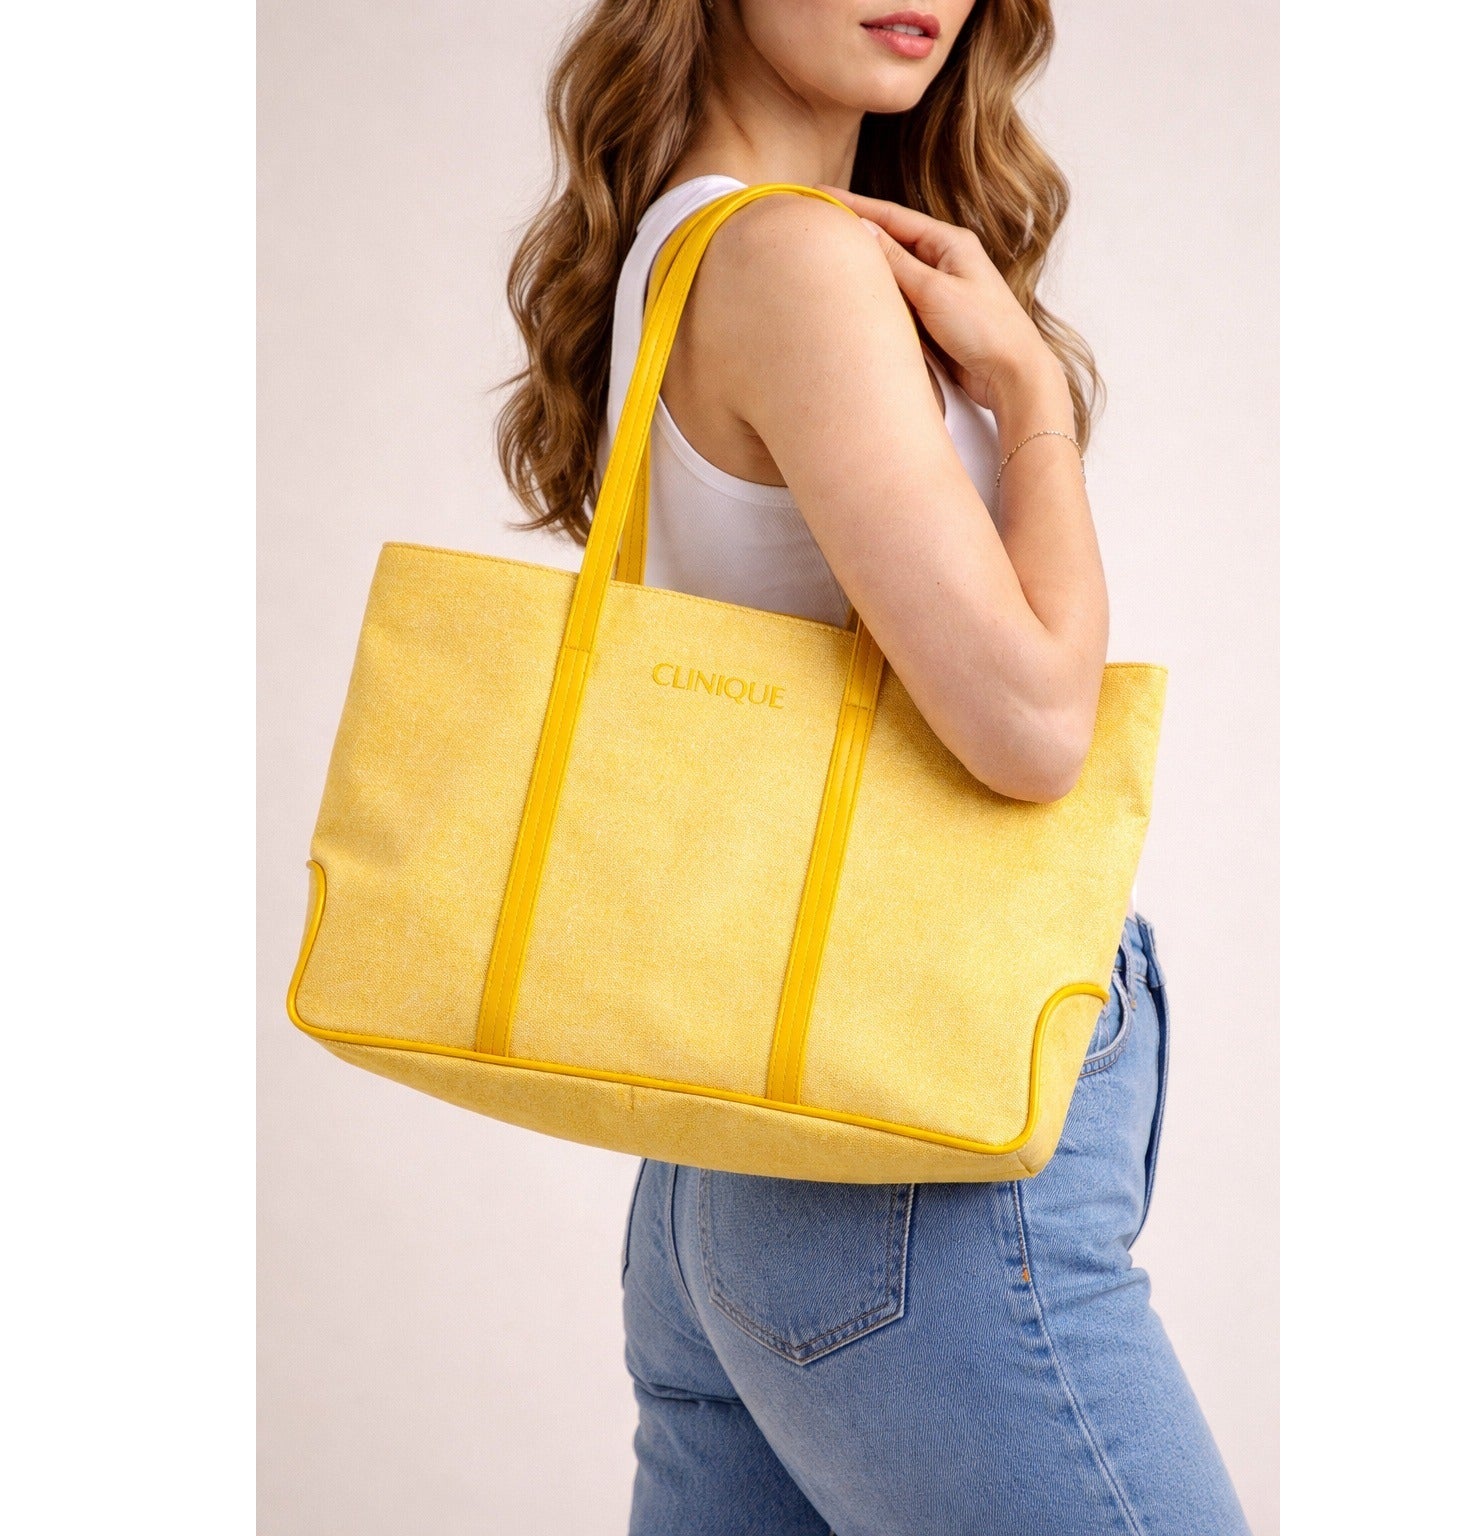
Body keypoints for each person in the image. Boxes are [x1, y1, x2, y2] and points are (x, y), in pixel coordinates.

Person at [498, 2, 1251, 1531]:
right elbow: (1033, 727)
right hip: (910, 1149)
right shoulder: (793, 260)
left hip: (736, 1161)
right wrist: (1033, 409)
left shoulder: (678, 247)